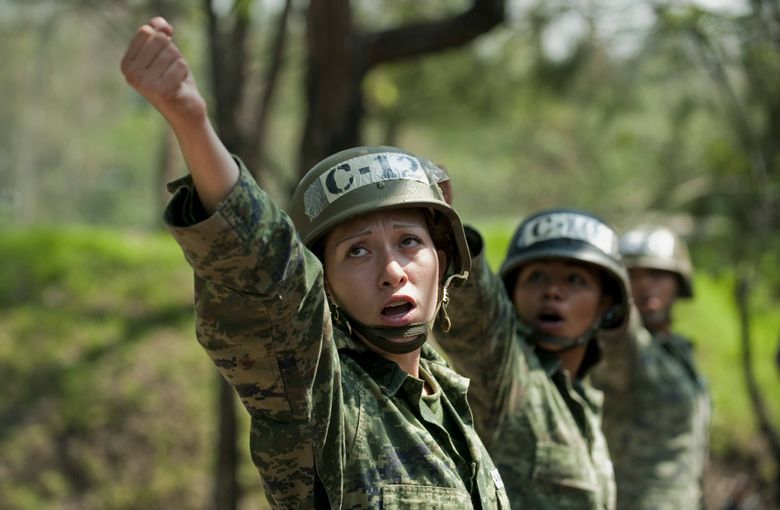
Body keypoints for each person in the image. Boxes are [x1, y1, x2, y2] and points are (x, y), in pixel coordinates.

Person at [120, 17, 511, 509]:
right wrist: (191, 122)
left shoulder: (449, 403)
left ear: (445, 258)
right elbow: (271, 278)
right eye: (358, 251)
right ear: (324, 283)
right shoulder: (318, 398)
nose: (392, 270)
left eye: (410, 242)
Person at [436, 208, 630, 509]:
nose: (552, 291)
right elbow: (477, 316)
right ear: (511, 293)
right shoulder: (506, 374)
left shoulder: (583, 403)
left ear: (606, 305)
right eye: (536, 277)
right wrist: (446, 234)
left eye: (575, 279)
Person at [591, 224, 711, 510]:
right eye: (631, 275)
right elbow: (620, 337)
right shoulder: (624, 347)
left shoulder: (678, 351)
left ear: (678, 283)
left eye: (657, 275)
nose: (644, 285)